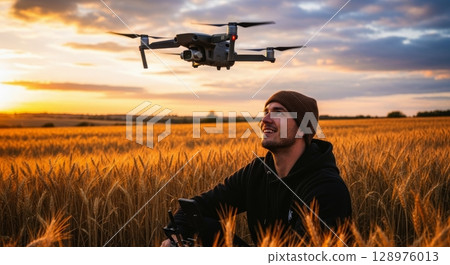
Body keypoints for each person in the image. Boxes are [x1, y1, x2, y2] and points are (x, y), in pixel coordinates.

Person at [161, 90, 352, 247]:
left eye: (278, 112)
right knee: (201, 226)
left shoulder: (327, 189)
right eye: (266, 112)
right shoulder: (257, 171)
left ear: (303, 128)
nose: (265, 120)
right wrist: (175, 238)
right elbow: (196, 207)